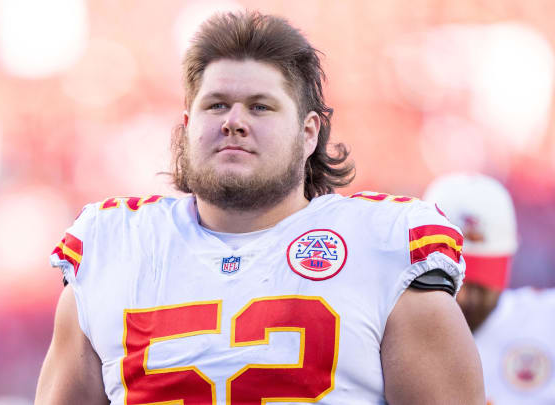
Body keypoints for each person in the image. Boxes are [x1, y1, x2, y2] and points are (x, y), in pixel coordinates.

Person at [35, 11, 484, 404]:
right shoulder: (112, 249)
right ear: (189, 127)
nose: (234, 121)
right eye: (217, 105)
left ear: (308, 134)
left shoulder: (383, 248)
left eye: (260, 106)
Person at [424, 173, 555, 404]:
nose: (462, 297)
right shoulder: (386, 327)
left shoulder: (546, 322)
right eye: (448, 282)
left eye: (477, 286)